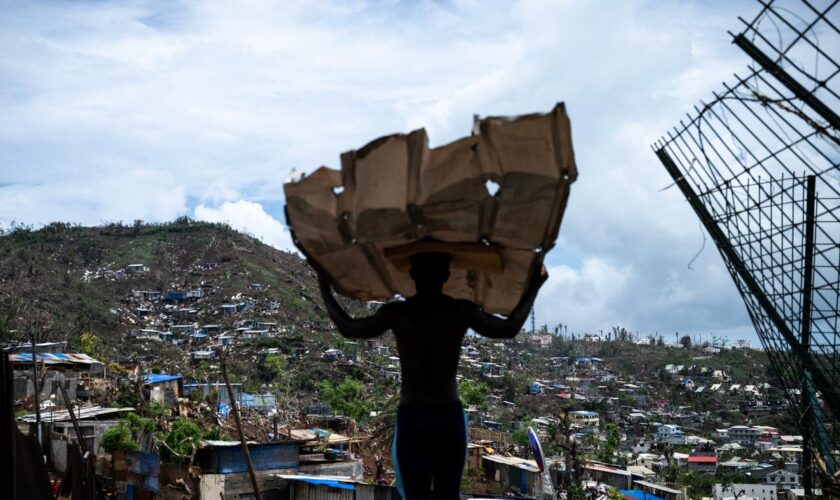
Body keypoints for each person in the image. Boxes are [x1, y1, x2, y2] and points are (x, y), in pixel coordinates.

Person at [315, 251, 548, 499]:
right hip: (447, 415)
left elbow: (349, 327)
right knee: (448, 494)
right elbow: (509, 327)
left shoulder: (398, 313)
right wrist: (534, 285)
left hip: (414, 416)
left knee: (417, 495)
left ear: (412, 274)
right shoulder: (459, 310)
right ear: (446, 275)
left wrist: (324, 288)